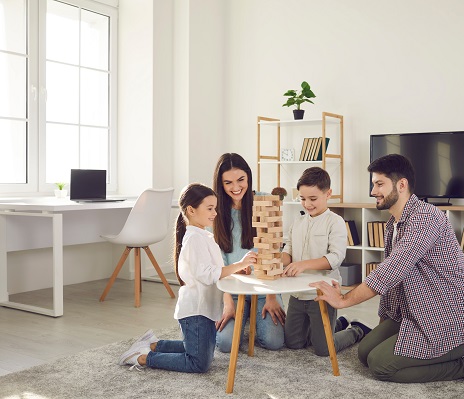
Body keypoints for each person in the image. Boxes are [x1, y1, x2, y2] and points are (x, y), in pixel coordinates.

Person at [311, 154, 464, 382]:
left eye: (379, 184)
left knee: (381, 366)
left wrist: (343, 300)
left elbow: (390, 271)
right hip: (416, 312)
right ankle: (444, 356)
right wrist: (384, 320)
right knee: (365, 353)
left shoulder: (425, 218)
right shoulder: (394, 223)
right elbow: (394, 284)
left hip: (451, 318)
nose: (373, 191)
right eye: (373, 184)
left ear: (401, 185)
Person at [117, 183, 257, 372]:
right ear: (191, 210)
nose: (215, 212)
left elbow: (213, 268)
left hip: (205, 309)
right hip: (195, 312)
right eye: (209, 208)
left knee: (197, 350)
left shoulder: (203, 236)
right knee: (198, 363)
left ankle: (153, 344)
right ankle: (141, 357)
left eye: (214, 208)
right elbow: (208, 275)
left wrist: (235, 270)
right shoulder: (194, 239)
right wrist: (239, 264)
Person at [283, 167, 371, 356]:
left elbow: (335, 258)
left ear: (328, 193)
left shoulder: (335, 221)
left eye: (312, 199)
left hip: (323, 293)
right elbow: (287, 251)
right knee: (293, 342)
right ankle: (336, 323)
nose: (307, 204)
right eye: (302, 198)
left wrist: (303, 264)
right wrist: (274, 260)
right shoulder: (297, 222)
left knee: (323, 348)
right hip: (297, 294)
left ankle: (356, 330)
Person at [212, 153, 286, 352]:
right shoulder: (214, 211)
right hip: (233, 288)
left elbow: (274, 250)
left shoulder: (263, 201)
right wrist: (227, 302)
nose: (236, 188)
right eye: (228, 183)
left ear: (249, 177)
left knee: (273, 341)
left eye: (241, 180)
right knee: (226, 344)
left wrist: (271, 297)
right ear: (221, 184)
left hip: (265, 288)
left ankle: (250, 314)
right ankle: (241, 315)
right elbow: (217, 263)